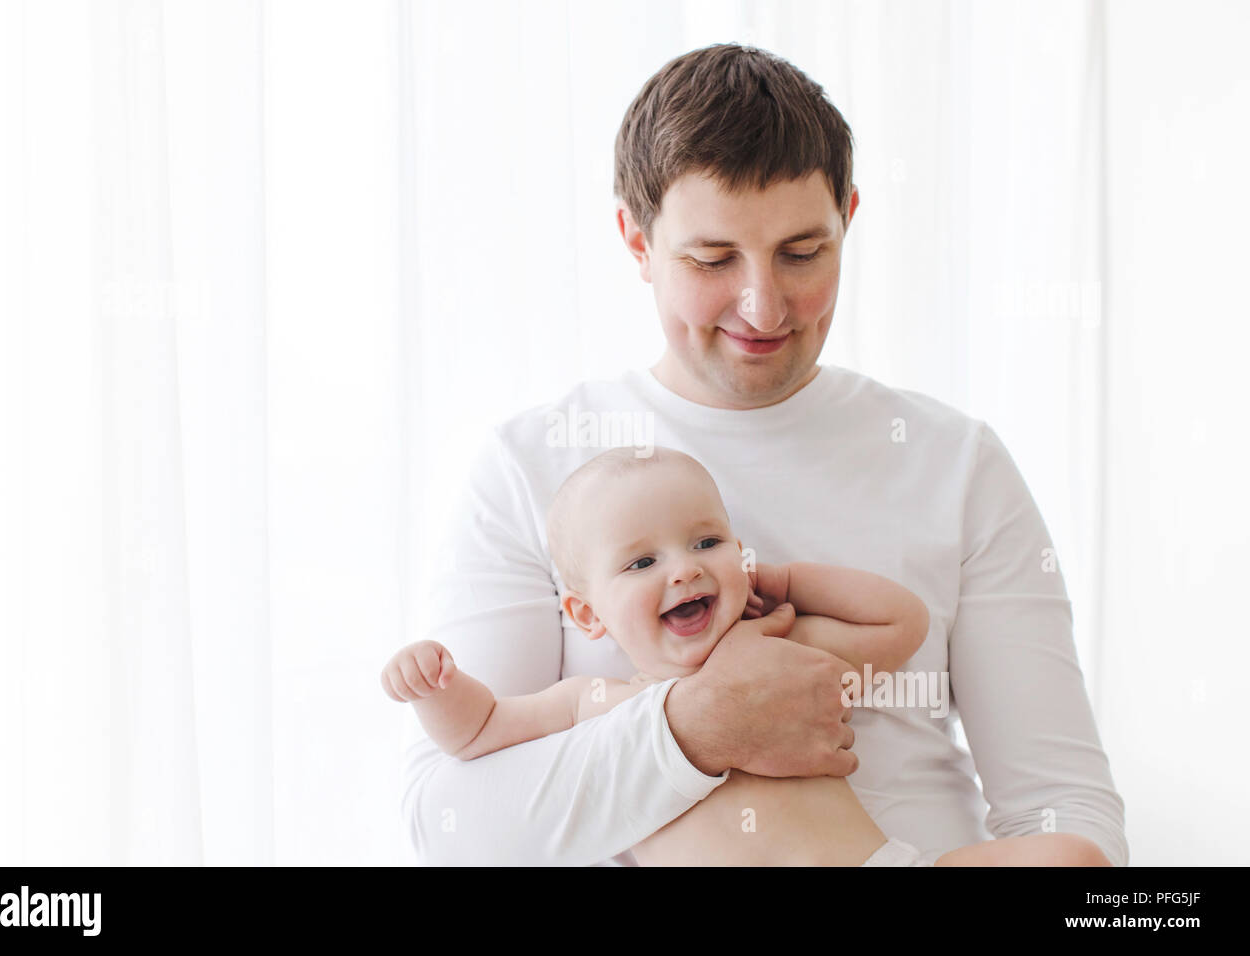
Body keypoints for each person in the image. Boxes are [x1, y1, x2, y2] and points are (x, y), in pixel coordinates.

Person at [394, 42, 1127, 867]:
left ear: (849, 216)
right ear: (636, 241)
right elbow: (451, 827)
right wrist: (694, 729)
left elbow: (1063, 804)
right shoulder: (529, 468)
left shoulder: (957, 462)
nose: (762, 306)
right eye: (712, 260)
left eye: (802, 253)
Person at [387, 447, 1111, 866]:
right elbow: (477, 733)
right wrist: (434, 686)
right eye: (641, 562)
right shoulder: (594, 702)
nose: (684, 569)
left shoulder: (776, 650)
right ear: (585, 615)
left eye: (707, 543)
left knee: (1076, 859)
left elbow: (901, 625)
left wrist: (791, 584)